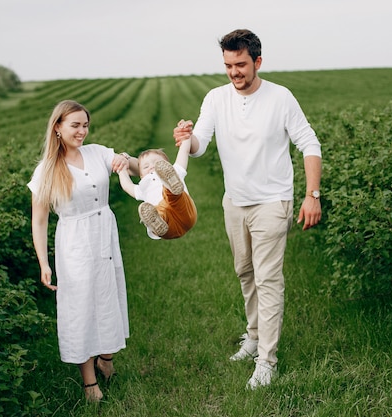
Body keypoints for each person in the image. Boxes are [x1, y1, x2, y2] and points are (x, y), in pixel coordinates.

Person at [173, 29, 322, 389]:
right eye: (228, 65)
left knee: (268, 279)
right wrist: (186, 138)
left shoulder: (280, 98)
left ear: (257, 62)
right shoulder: (215, 98)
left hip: (273, 201)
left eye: (240, 64)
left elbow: (309, 142)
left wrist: (312, 195)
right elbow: (200, 144)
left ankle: (267, 360)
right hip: (234, 201)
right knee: (245, 271)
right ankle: (253, 335)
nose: (234, 72)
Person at [27, 100, 132, 403]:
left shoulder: (97, 152)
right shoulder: (47, 170)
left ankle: (107, 357)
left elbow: (132, 163)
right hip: (74, 243)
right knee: (82, 307)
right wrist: (44, 264)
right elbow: (39, 220)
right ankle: (89, 382)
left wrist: (129, 159)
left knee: (108, 296)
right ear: (57, 127)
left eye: (85, 125)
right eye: (75, 125)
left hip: (105, 234)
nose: (82, 131)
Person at [117, 135, 197, 240]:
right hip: (168, 228)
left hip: (185, 213)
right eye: (146, 166)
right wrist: (121, 169)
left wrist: (186, 136)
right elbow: (128, 186)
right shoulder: (143, 186)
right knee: (159, 211)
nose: (151, 167)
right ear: (141, 175)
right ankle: (156, 220)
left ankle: (170, 184)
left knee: (173, 196)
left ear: (168, 165)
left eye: (157, 163)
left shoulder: (175, 170)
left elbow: (184, 152)